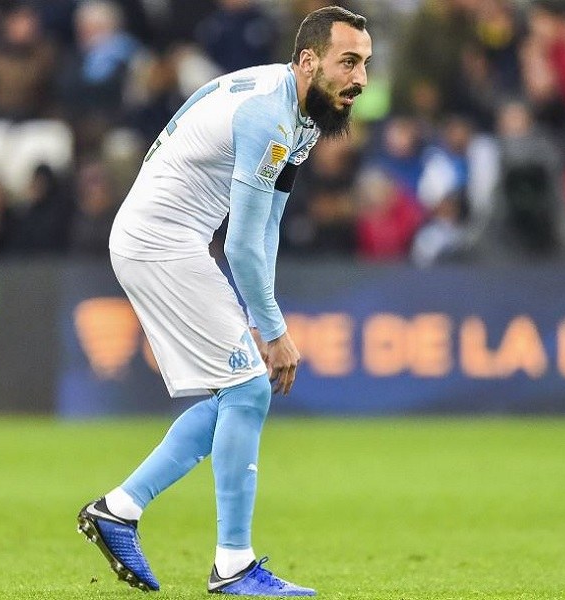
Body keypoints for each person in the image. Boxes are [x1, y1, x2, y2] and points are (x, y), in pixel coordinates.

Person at [76, 6, 371, 596]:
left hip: (168, 241)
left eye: (365, 63)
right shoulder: (270, 116)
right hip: (161, 243)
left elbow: (268, 225)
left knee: (238, 394)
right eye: (348, 62)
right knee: (248, 390)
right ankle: (231, 565)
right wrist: (274, 331)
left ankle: (120, 510)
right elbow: (239, 244)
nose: (360, 78)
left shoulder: (301, 114)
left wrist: (263, 318)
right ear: (308, 61)